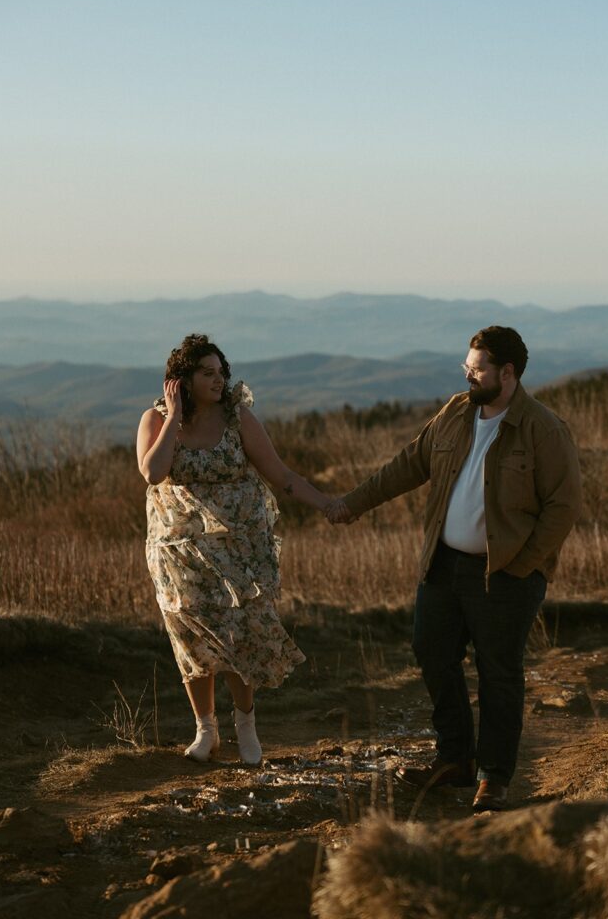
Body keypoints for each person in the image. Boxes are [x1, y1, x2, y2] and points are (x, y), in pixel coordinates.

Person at [326, 326, 582, 811]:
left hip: (505, 574)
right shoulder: (455, 413)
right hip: (443, 566)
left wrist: (524, 566)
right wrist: (351, 504)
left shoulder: (543, 429)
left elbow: (563, 507)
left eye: (478, 367)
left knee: (498, 673)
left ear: (507, 373)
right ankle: (455, 758)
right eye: (468, 365)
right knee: (431, 650)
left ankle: (495, 776)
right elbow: (406, 465)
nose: (468, 373)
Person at [137, 334, 333, 765]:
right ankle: (206, 730)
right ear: (181, 380)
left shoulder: (238, 417)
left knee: (237, 636)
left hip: (239, 550)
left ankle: (246, 728)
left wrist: (327, 504)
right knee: (190, 638)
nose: (218, 379)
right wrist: (173, 417)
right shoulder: (154, 418)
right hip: (178, 553)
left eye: (220, 371)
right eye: (206, 372)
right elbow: (153, 472)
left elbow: (280, 474)